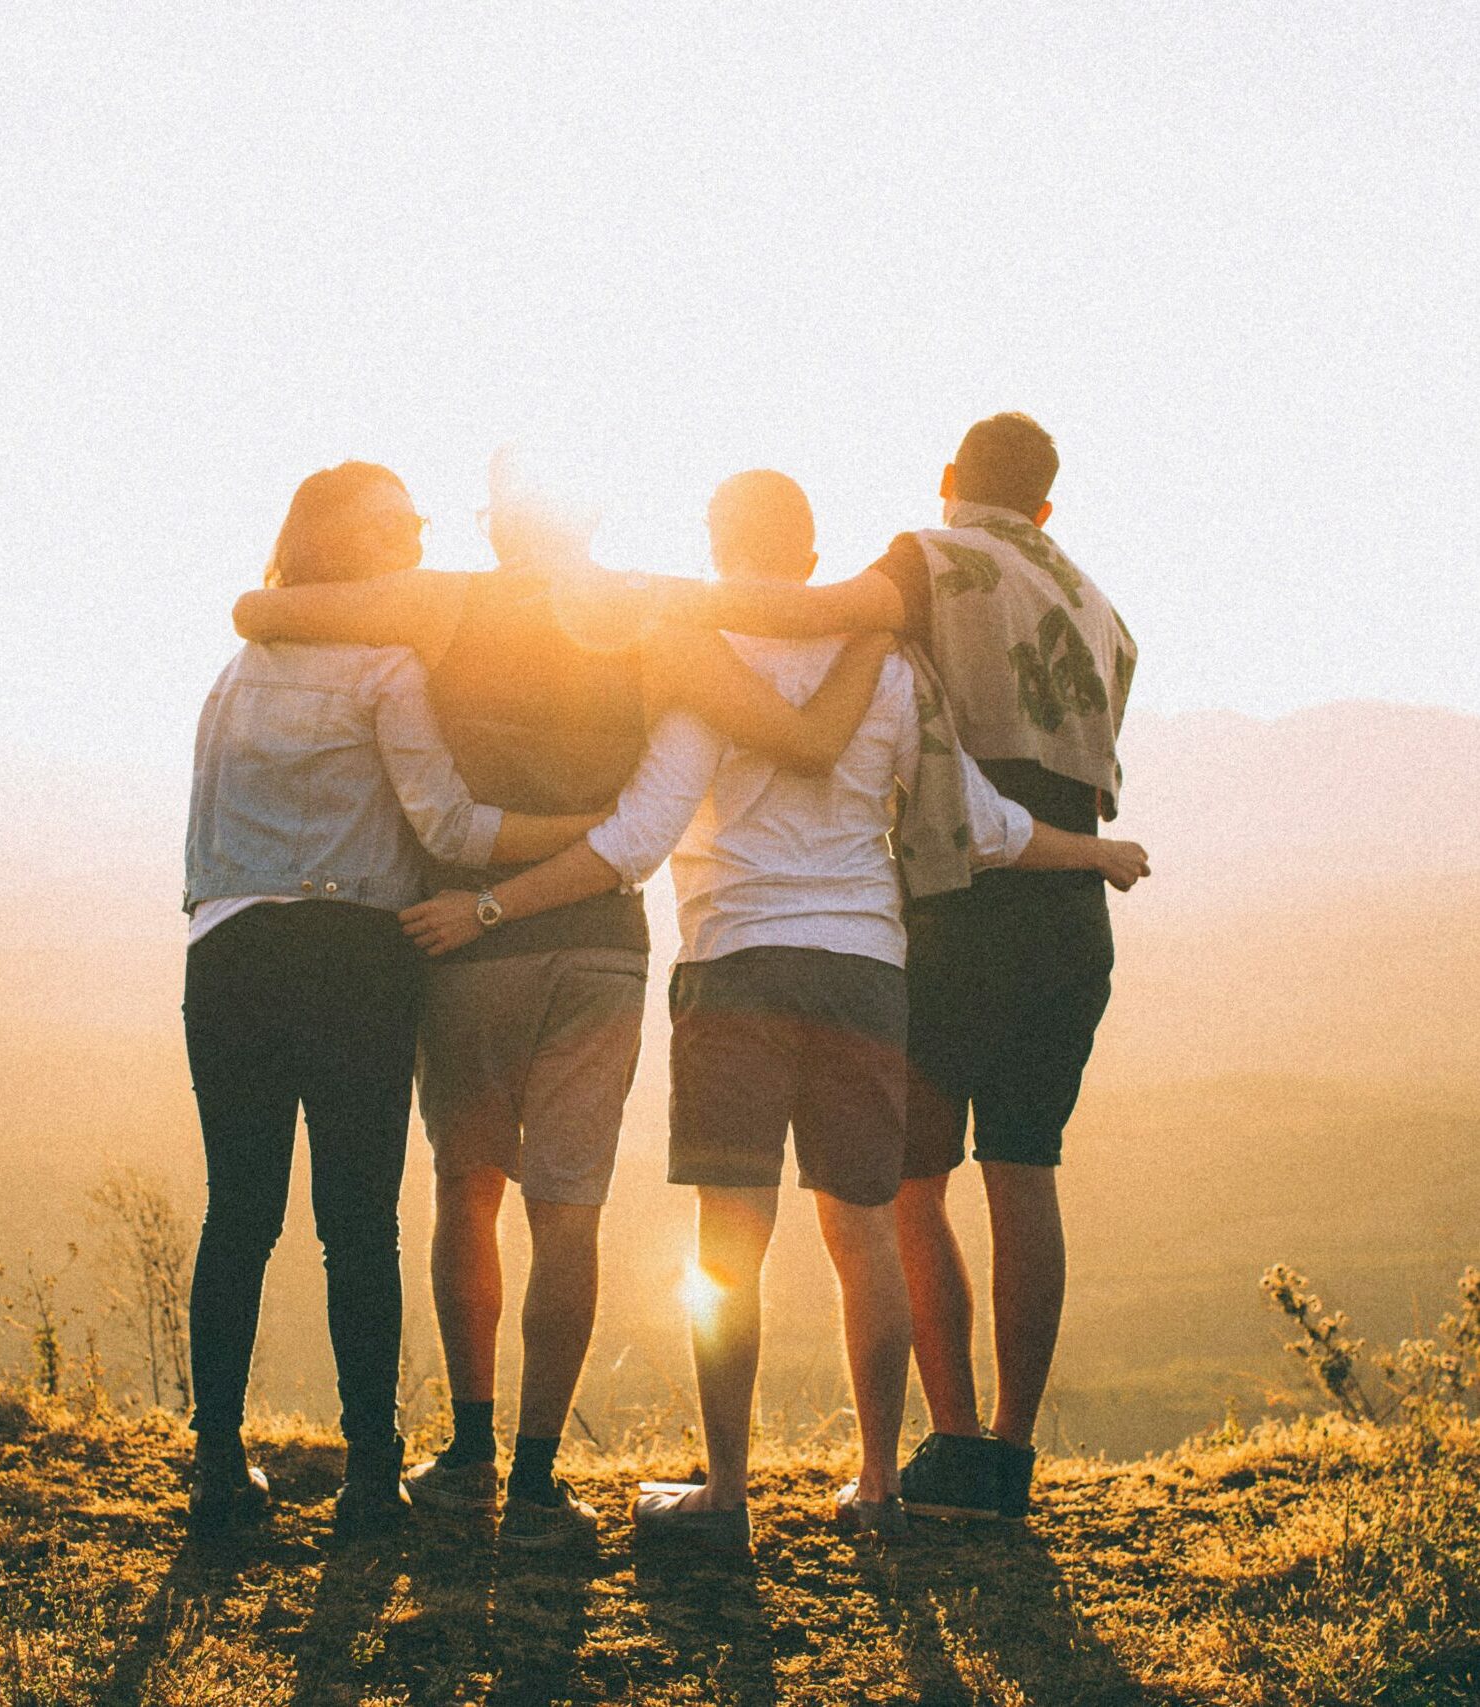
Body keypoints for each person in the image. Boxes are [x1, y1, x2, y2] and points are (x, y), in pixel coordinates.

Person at [400, 469, 1148, 1550]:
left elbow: (638, 839)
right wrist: (1099, 853)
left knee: (729, 1246)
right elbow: (982, 825)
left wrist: (491, 904)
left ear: (716, 546)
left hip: (736, 967)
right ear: (810, 557)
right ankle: (881, 1485)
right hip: (866, 974)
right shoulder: (889, 668)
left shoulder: (703, 661)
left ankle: (727, 1493)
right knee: (865, 1237)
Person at [234, 450, 891, 1551]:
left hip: (465, 939)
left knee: (468, 1188)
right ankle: (539, 1483)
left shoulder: (441, 606)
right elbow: (795, 732)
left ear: (497, 527)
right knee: (568, 1209)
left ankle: (470, 1452)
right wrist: (874, 624)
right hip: (599, 946)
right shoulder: (649, 615)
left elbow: (267, 609)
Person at [656, 415, 1141, 1523]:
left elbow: (816, 616)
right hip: (1067, 906)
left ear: (948, 481)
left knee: (905, 1188)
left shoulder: (931, 559)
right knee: (1027, 1171)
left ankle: (952, 1445)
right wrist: (1099, 854)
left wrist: (655, 601)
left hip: (960, 901)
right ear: (1048, 507)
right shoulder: (1101, 607)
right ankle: (1006, 1459)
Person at [181, 461, 608, 1538]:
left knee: (239, 1214)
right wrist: (589, 834)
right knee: (357, 1225)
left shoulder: (236, 673)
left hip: (227, 954)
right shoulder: (386, 667)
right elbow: (454, 832)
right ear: (351, 547)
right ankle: (372, 1473)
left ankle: (218, 1466)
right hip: (354, 959)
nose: (417, 540)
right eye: (399, 527)